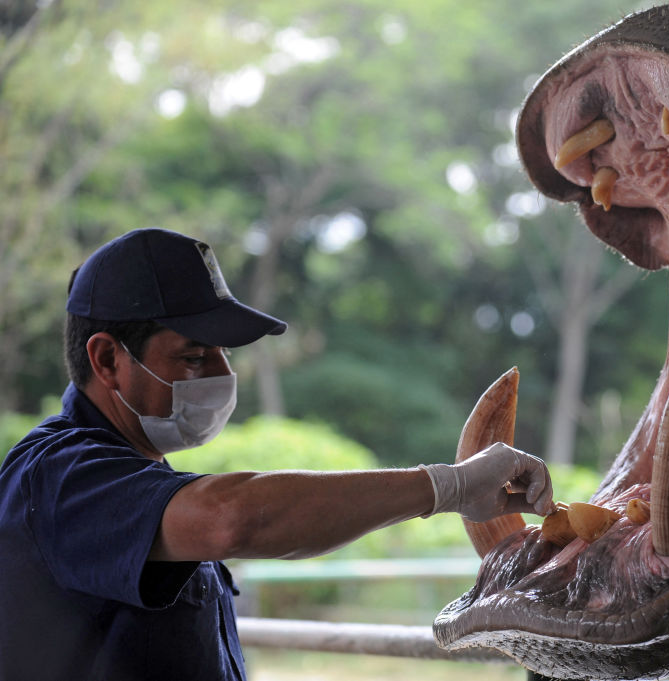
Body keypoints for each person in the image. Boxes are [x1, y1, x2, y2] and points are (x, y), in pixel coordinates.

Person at [0, 227, 555, 681]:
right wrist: (448, 487)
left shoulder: (144, 475)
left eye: (222, 355)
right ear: (106, 360)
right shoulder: (55, 477)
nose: (222, 376)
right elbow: (236, 519)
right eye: (193, 357)